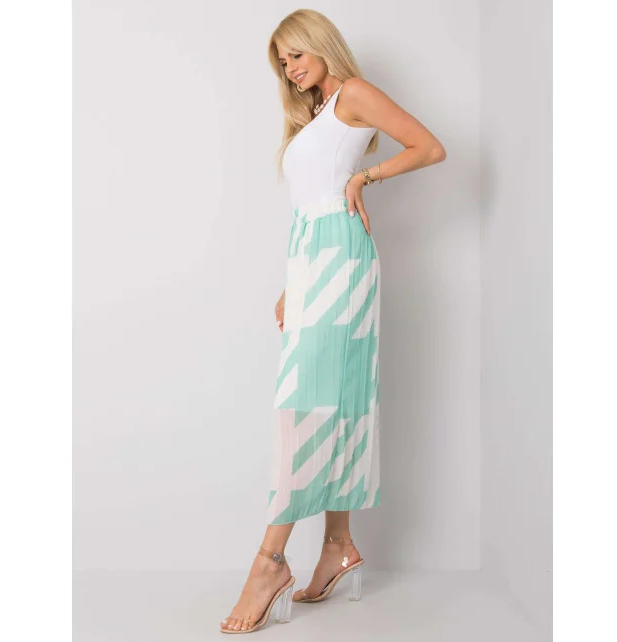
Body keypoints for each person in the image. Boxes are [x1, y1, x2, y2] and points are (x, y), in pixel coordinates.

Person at [220, 9, 446, 634]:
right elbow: (308, 204)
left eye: (296, 54)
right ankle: (338, 546)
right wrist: (291, 284)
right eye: (282, 61)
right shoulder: (315, 113)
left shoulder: (354, 93)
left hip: (343, 260)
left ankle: (269, 561)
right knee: (332, 397)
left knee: (309, 402)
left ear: (321, 46)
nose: (290, 68)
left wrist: (366, 178)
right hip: (313, 262)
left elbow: (430, 147)